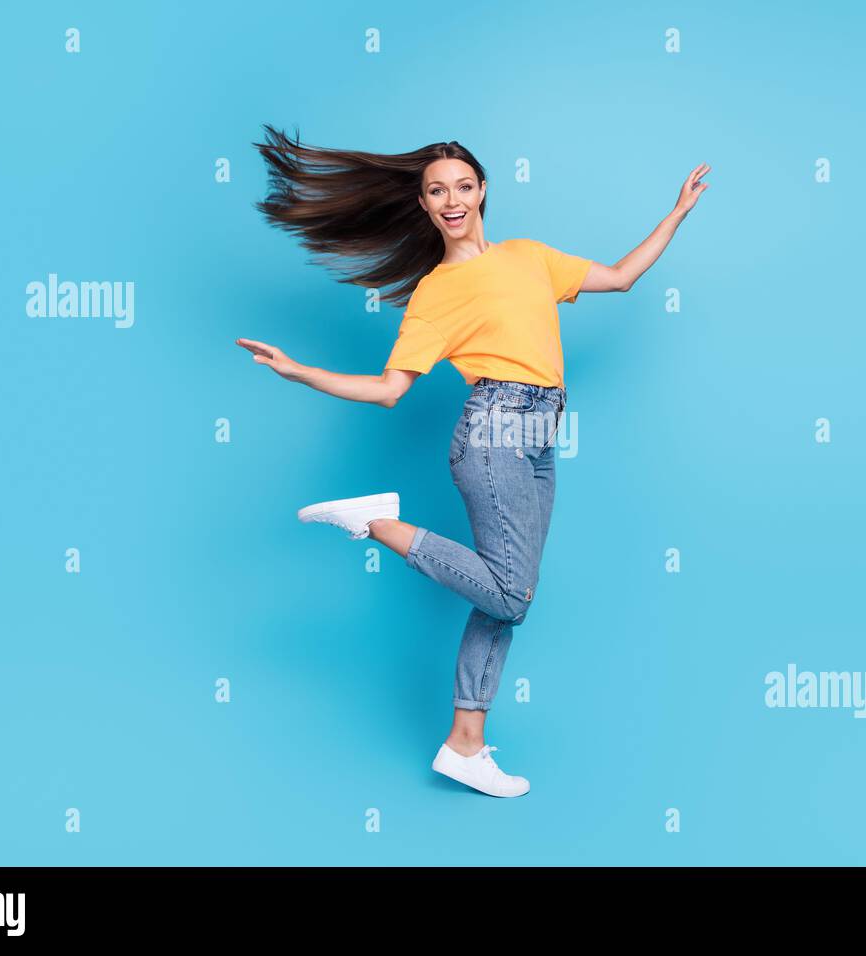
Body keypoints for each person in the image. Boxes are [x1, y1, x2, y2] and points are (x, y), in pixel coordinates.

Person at [238, 125, 709, 796]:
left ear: (482, 190)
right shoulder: (437, 291)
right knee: (512, 595)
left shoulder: (528, 257)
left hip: (540, 439)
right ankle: (376, 524)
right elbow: (390, 390)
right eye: (437, 191)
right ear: (426, 206)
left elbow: (623, 277)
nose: (451, 199)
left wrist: (677, 211)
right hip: (492, 436)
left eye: (462, 185)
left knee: (504, 596)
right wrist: (300, 372)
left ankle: (465, 745)